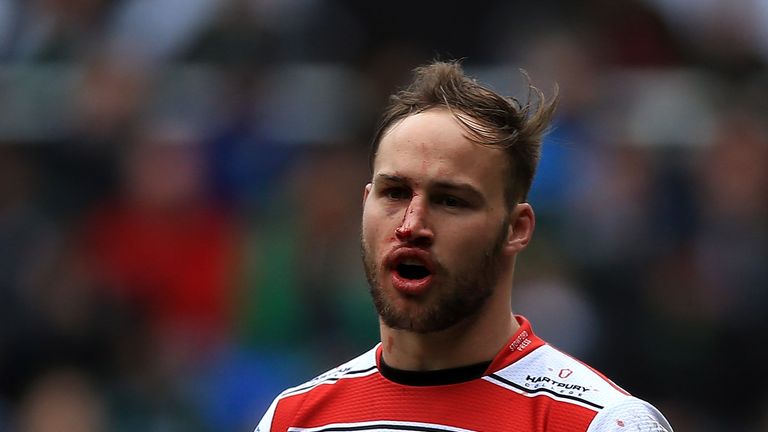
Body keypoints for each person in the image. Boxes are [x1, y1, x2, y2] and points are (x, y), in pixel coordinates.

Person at [255, 60, 673, 432]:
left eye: (450, 200)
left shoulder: (599, 422)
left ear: (516, 228)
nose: (412, 225)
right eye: (395, 193)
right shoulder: (292, 419)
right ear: (365, 205)